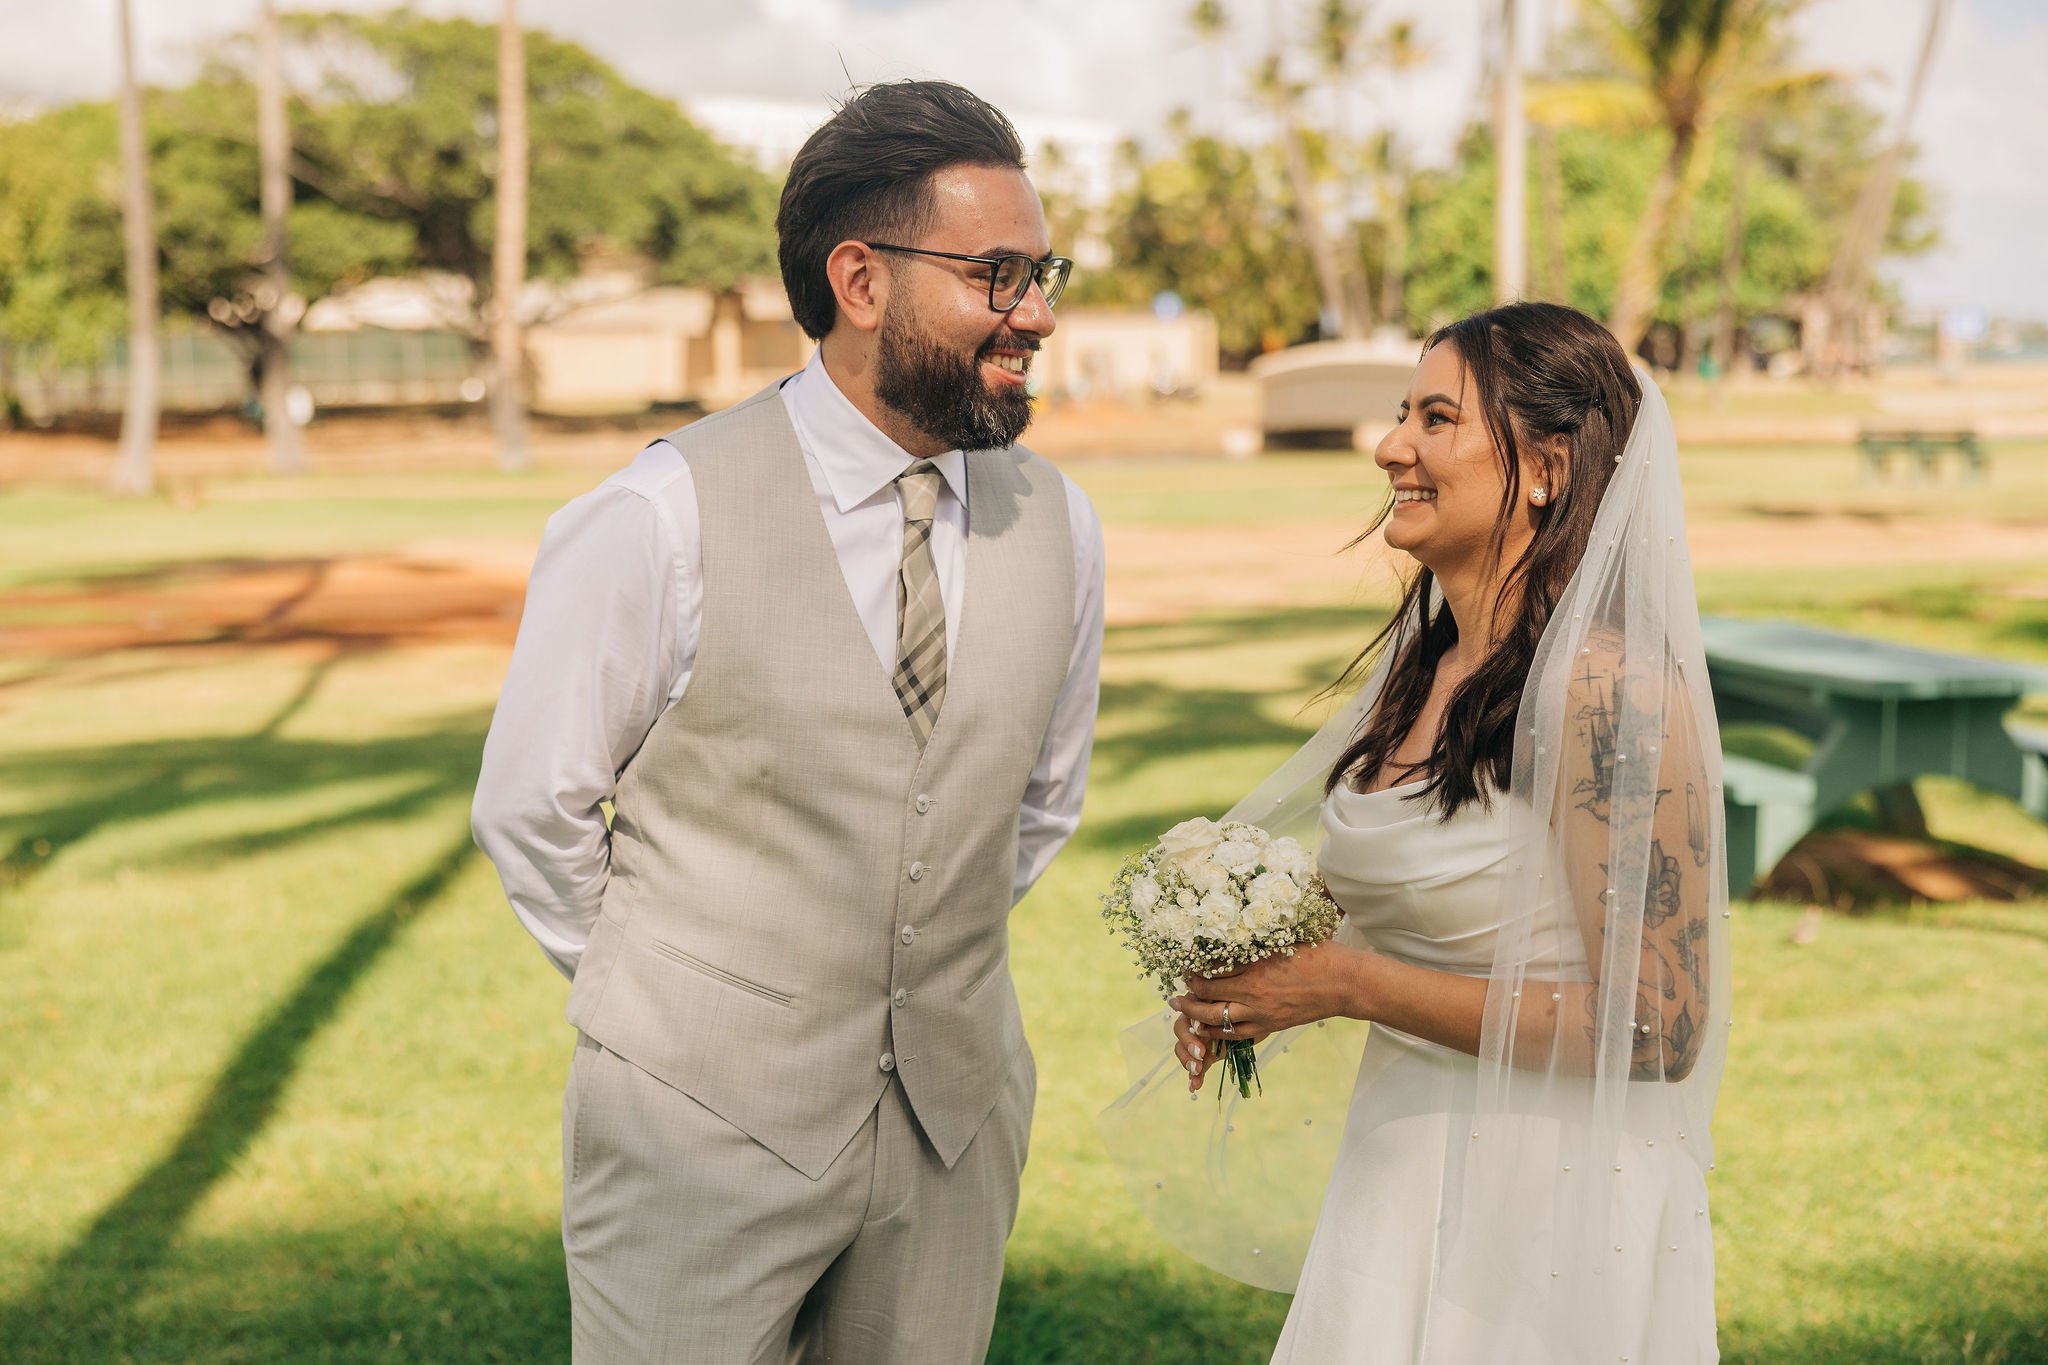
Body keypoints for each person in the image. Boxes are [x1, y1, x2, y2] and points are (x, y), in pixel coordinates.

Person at [471, 80, 1104, 1364]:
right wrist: (678, 1013)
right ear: (859, 280)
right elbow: (531, 807)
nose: (1034, 312)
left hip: (953, 1126)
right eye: (995, 274)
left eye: (1041, 271)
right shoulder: (658, 514)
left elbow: (1034, 806)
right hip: (689, 1135)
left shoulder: (1061, 523)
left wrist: (912, 973)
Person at [1165, 302, 1728, 1361]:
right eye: (1399, 415)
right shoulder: (1425, 667)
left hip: (1545, 1207)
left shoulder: (1610, 691)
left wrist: (1344, 985)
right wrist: (1249, 970)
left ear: (1549, 467)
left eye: (1434, 419)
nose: (1390, 448)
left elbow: (1658, 1025)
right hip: (1400, 1167)